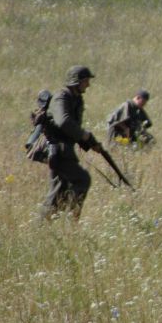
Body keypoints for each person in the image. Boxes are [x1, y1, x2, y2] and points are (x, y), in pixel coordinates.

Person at [41, 65, 102, 219]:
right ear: (76, 81)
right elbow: (63, 122)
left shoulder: (75, 98)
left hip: (64, 149)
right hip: (56, 149)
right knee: (82, 179)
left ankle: (47, 223)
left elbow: (72, 128)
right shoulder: (61, 97)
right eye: (86, 81)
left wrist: (90, 143)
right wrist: (84, 135)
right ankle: (71, 219)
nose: (88, 85)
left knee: (59, 189)